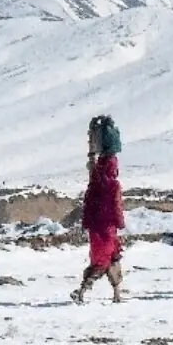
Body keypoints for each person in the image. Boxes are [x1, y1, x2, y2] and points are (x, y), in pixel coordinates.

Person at [72, 115, 125, 304]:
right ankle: (83, 291)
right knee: (105, 259)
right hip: (107, 225)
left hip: (96, 224)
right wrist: (119, 221)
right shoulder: (111, 184)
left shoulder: (96, 180)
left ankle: (115, 293)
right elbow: (115, 204)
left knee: (107, 258)